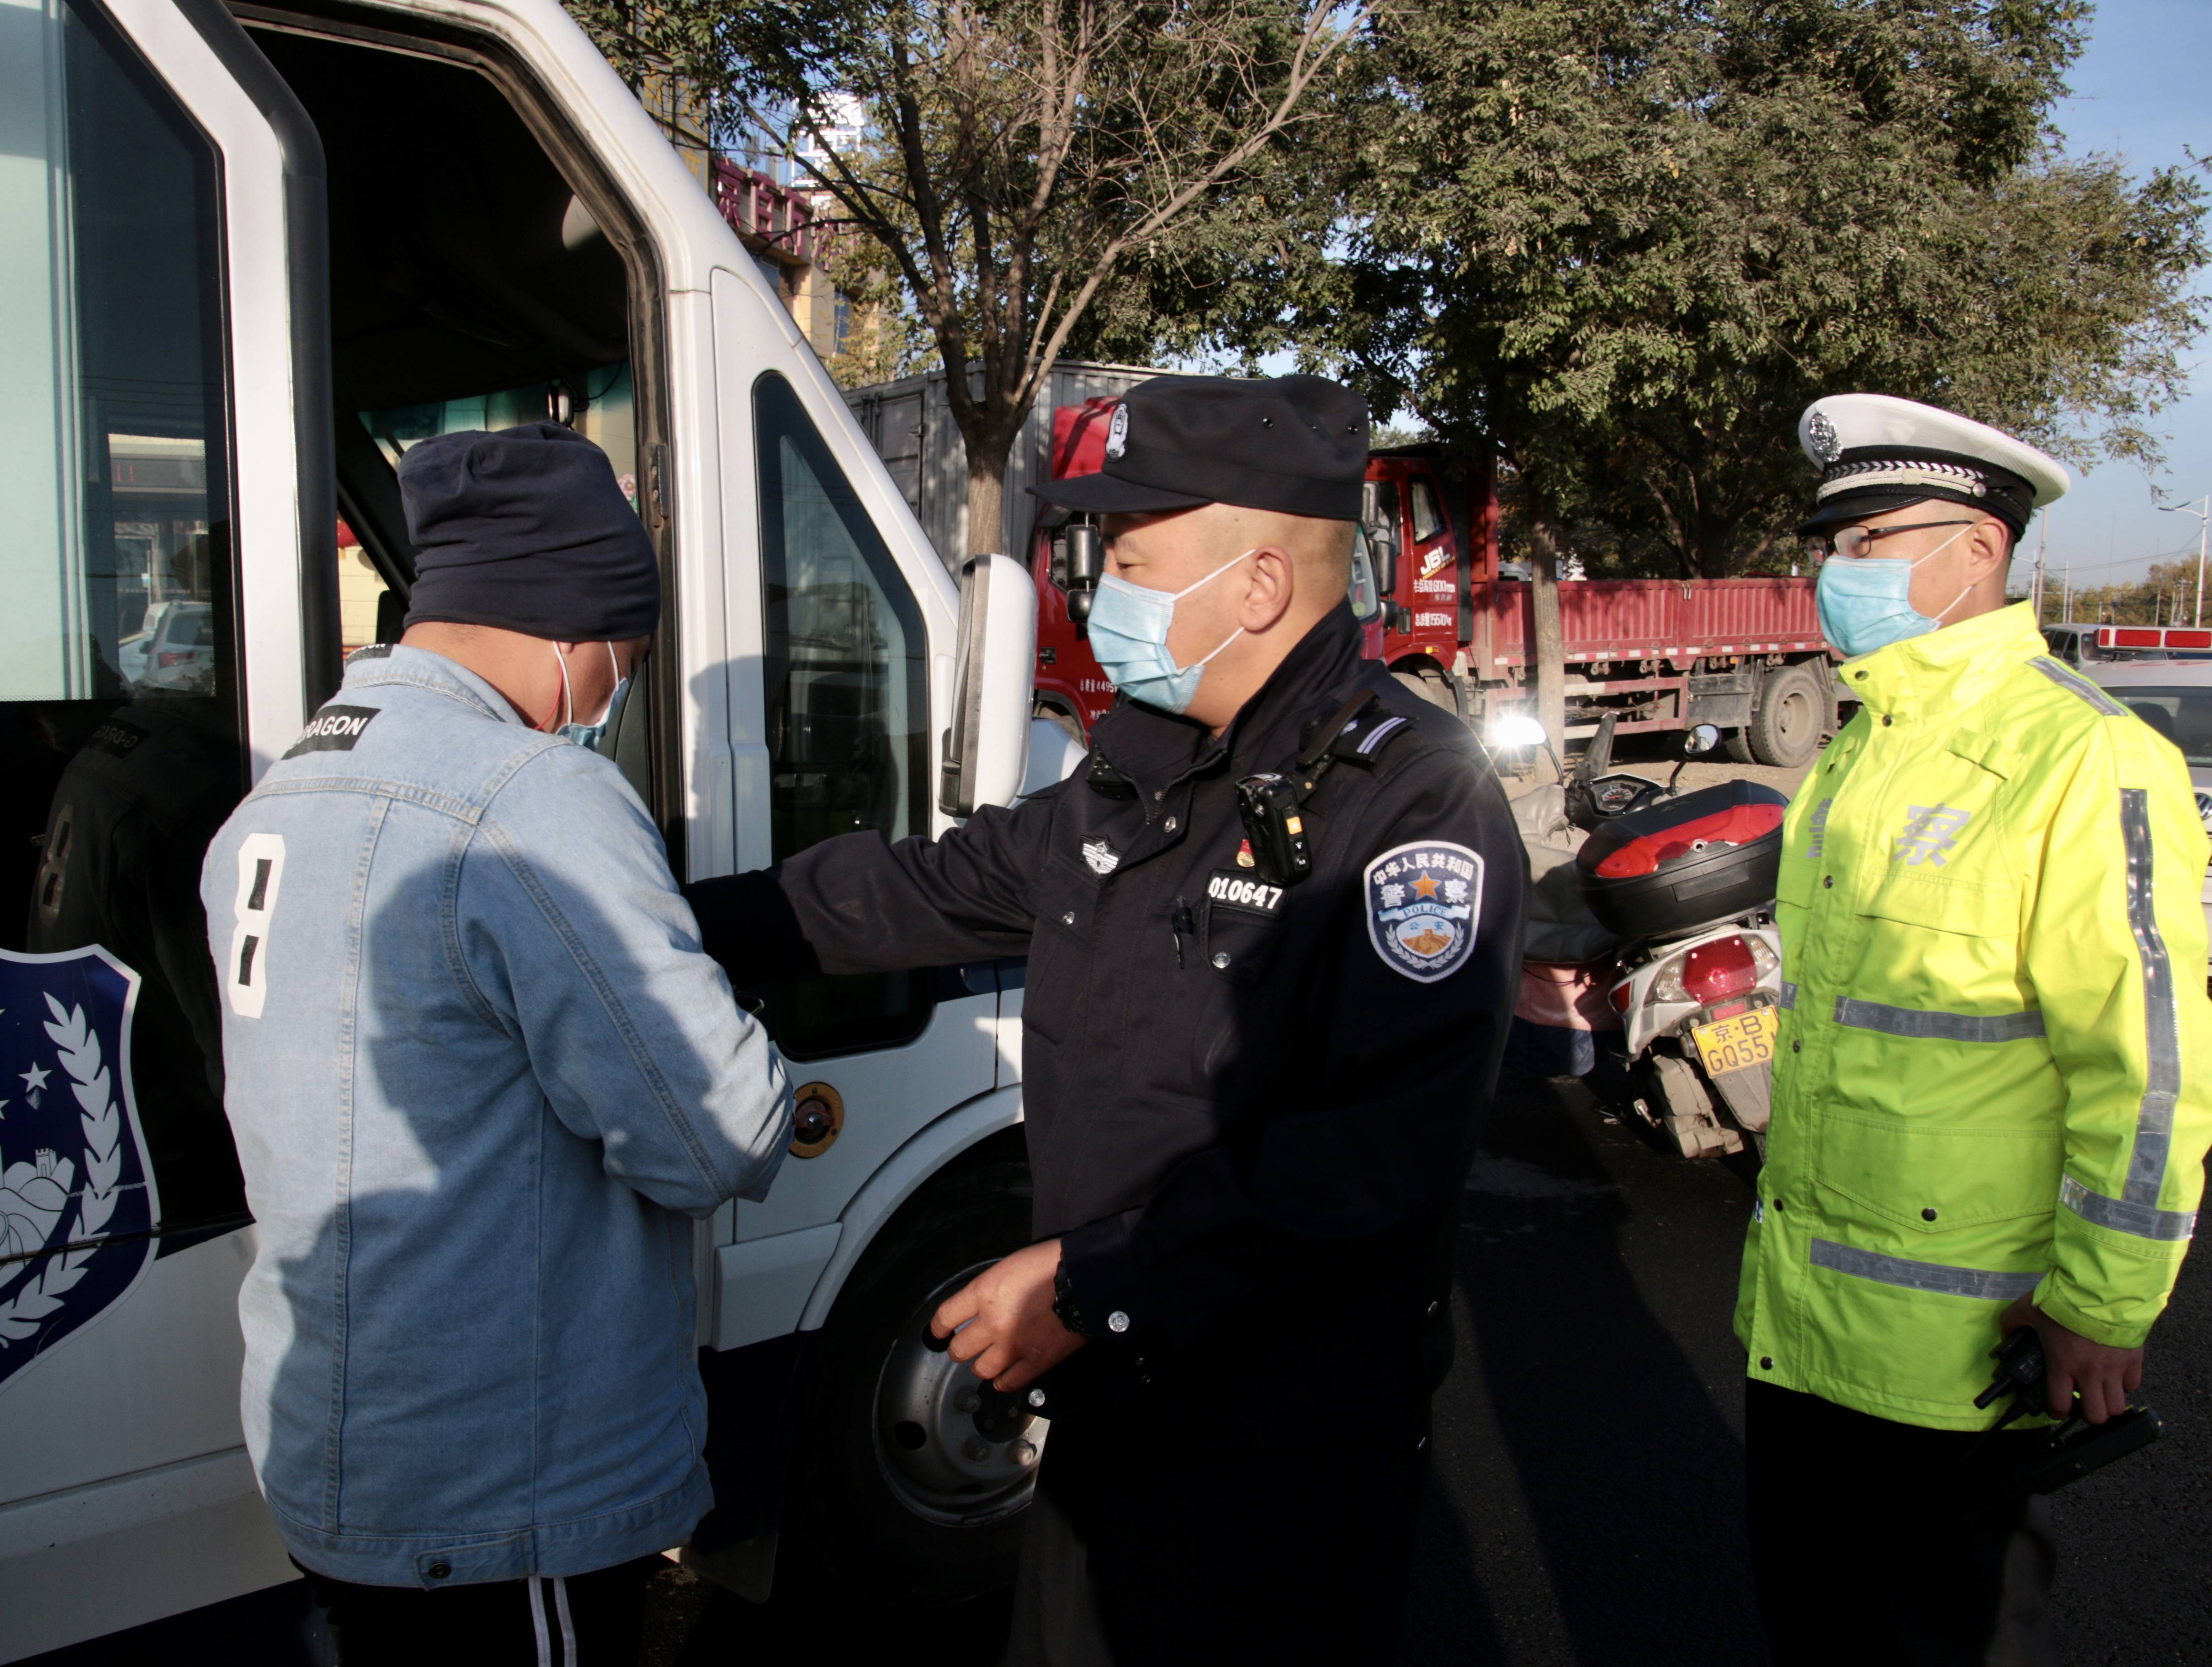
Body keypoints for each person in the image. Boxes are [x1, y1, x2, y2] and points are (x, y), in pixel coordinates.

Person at [687, 374, 1524, 1664]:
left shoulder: (1411, 804)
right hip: (1113, 1389)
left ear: (1255, 587)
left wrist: (1093, 1280)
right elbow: (926, 888)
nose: (1097, 593)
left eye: (1129, 563)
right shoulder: (1139, 769)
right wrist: (658, 914)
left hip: (1278, 1428)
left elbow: (1371, 1156)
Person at [203, 421, 791, 1663]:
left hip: (336, 1437)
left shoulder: (279, 795)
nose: (620, 688)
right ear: (570, 631)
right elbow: (717, 1135)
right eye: (627, 653)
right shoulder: (531, 796)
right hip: (506, 1480)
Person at [1740, 393, 2212, 1664]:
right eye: (1830, 546)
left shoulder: (2083, 759)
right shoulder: (1859, 748)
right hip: (1799, 1341)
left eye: (1870, 541)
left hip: (1967, 1367)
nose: (1838, 574)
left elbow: (2146, 1074)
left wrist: (2106, 1312)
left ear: (1978, 551)